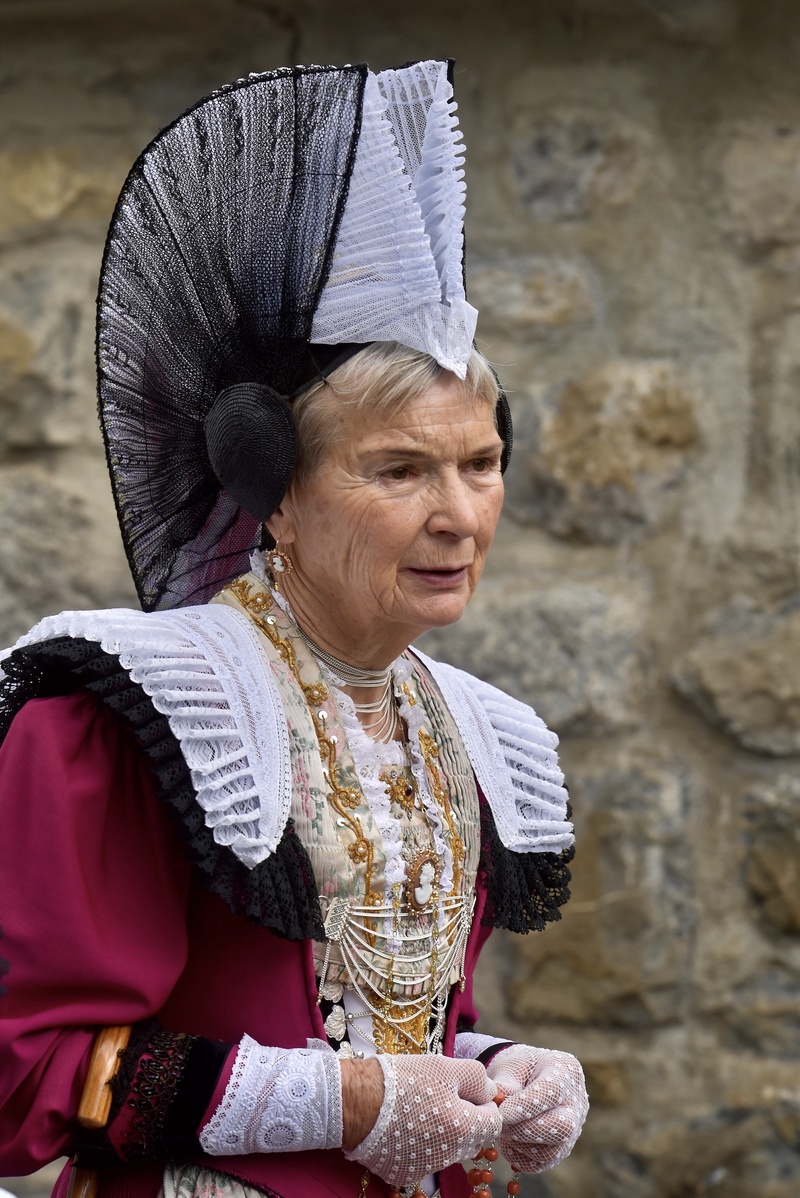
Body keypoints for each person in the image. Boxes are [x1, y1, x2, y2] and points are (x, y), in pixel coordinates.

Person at [0, 60, 588, 1198]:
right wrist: (355, 1101)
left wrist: (495, 1065)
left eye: (479, 464)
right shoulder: (134, 713)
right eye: (398, 469)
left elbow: (381, 1018)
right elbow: (29, 1074)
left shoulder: (470, 731)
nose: (458, 515)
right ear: (273, 488)